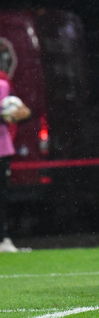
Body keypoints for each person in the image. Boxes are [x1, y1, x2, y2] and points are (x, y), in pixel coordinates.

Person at [0, 38, 31, 253]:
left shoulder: (2, 83)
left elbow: (22, 110)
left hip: (2, 149)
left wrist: (17, 113)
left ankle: (3, 239)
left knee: (2, 195)